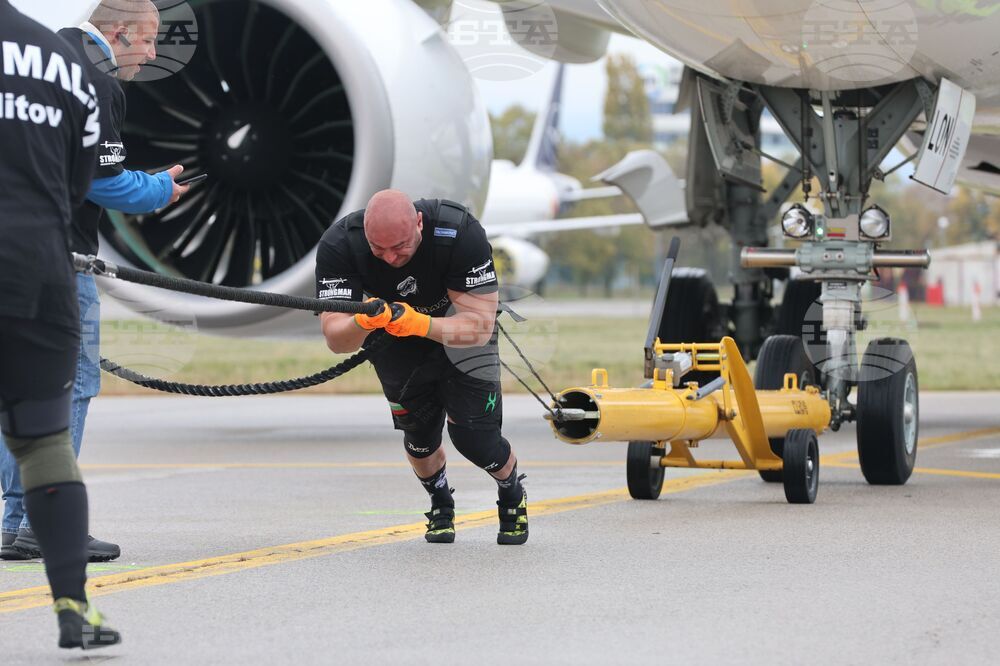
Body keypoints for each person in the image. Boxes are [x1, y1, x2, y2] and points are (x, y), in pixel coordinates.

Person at [0, 0, 190, 562]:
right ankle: (40, 523)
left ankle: (17, 521)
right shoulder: (93, 77)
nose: (153, 56)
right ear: (120, 31)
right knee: (70, 386)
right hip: (57, 259)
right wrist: (159, 190)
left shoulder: (38, 57)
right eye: (151, 41)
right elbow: (104, 184)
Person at [0, 0, 121, 648]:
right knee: (44, 443)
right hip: (40, 270)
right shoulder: (64, 62)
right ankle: (74, 610)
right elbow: (82, 182)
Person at [317, 190, 529, 545]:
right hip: (394, 341)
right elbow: (336, 340)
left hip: (459, 336)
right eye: (378, 248)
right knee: (420, 439)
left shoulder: (458, 231)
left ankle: (510, 490)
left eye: (399, 246)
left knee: (476, 440)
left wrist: (419, 323)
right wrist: (364, 320)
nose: (389, 257)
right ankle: (441, 502)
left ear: (418, 223)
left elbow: (478, 327)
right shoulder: (340, 245)